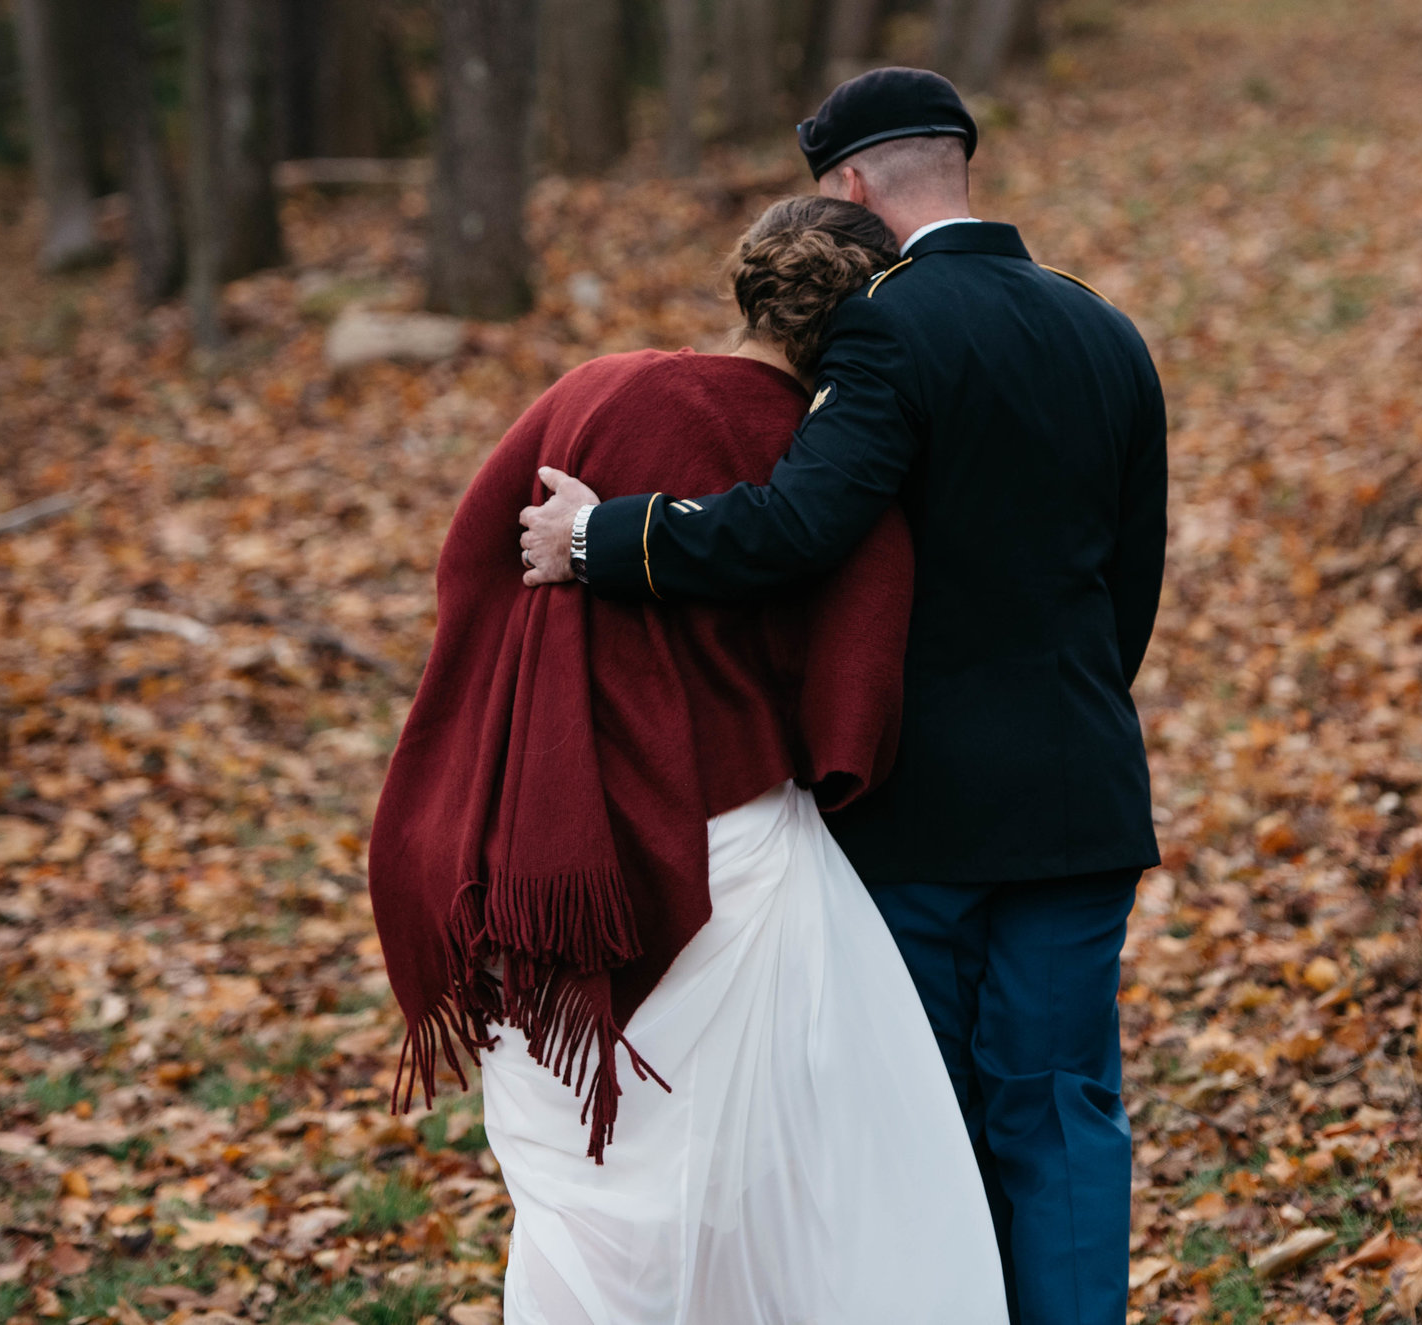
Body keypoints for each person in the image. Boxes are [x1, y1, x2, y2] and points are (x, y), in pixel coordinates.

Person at [521, 67, 1168, 1325]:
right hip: (1082, 788)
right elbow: (1128, 583)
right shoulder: (1106, 328)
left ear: (851, 185)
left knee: (918, 1118)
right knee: (1062, 1106)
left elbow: (802, 524)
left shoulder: (884, 326)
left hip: (919, 807)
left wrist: (610, 539)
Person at [370, 196, 1010, 1325]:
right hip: (739, 851)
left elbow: (471, 559)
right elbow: (857, 687)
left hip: (544, 853)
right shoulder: (827, 459)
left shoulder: (594, 391)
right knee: (783, 1175)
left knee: (583, 1185)